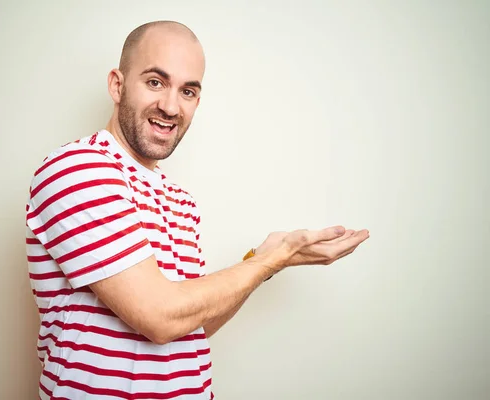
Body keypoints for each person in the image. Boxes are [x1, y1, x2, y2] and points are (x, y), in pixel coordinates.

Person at [25, 20, 369, 400]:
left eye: (187, 91)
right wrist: (272, 261)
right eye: (155, 82)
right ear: (117, 85)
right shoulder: (78, 169)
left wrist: (265, 258)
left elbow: (193, 325)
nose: (170, 106)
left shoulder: (180, 200)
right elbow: (159, 316)